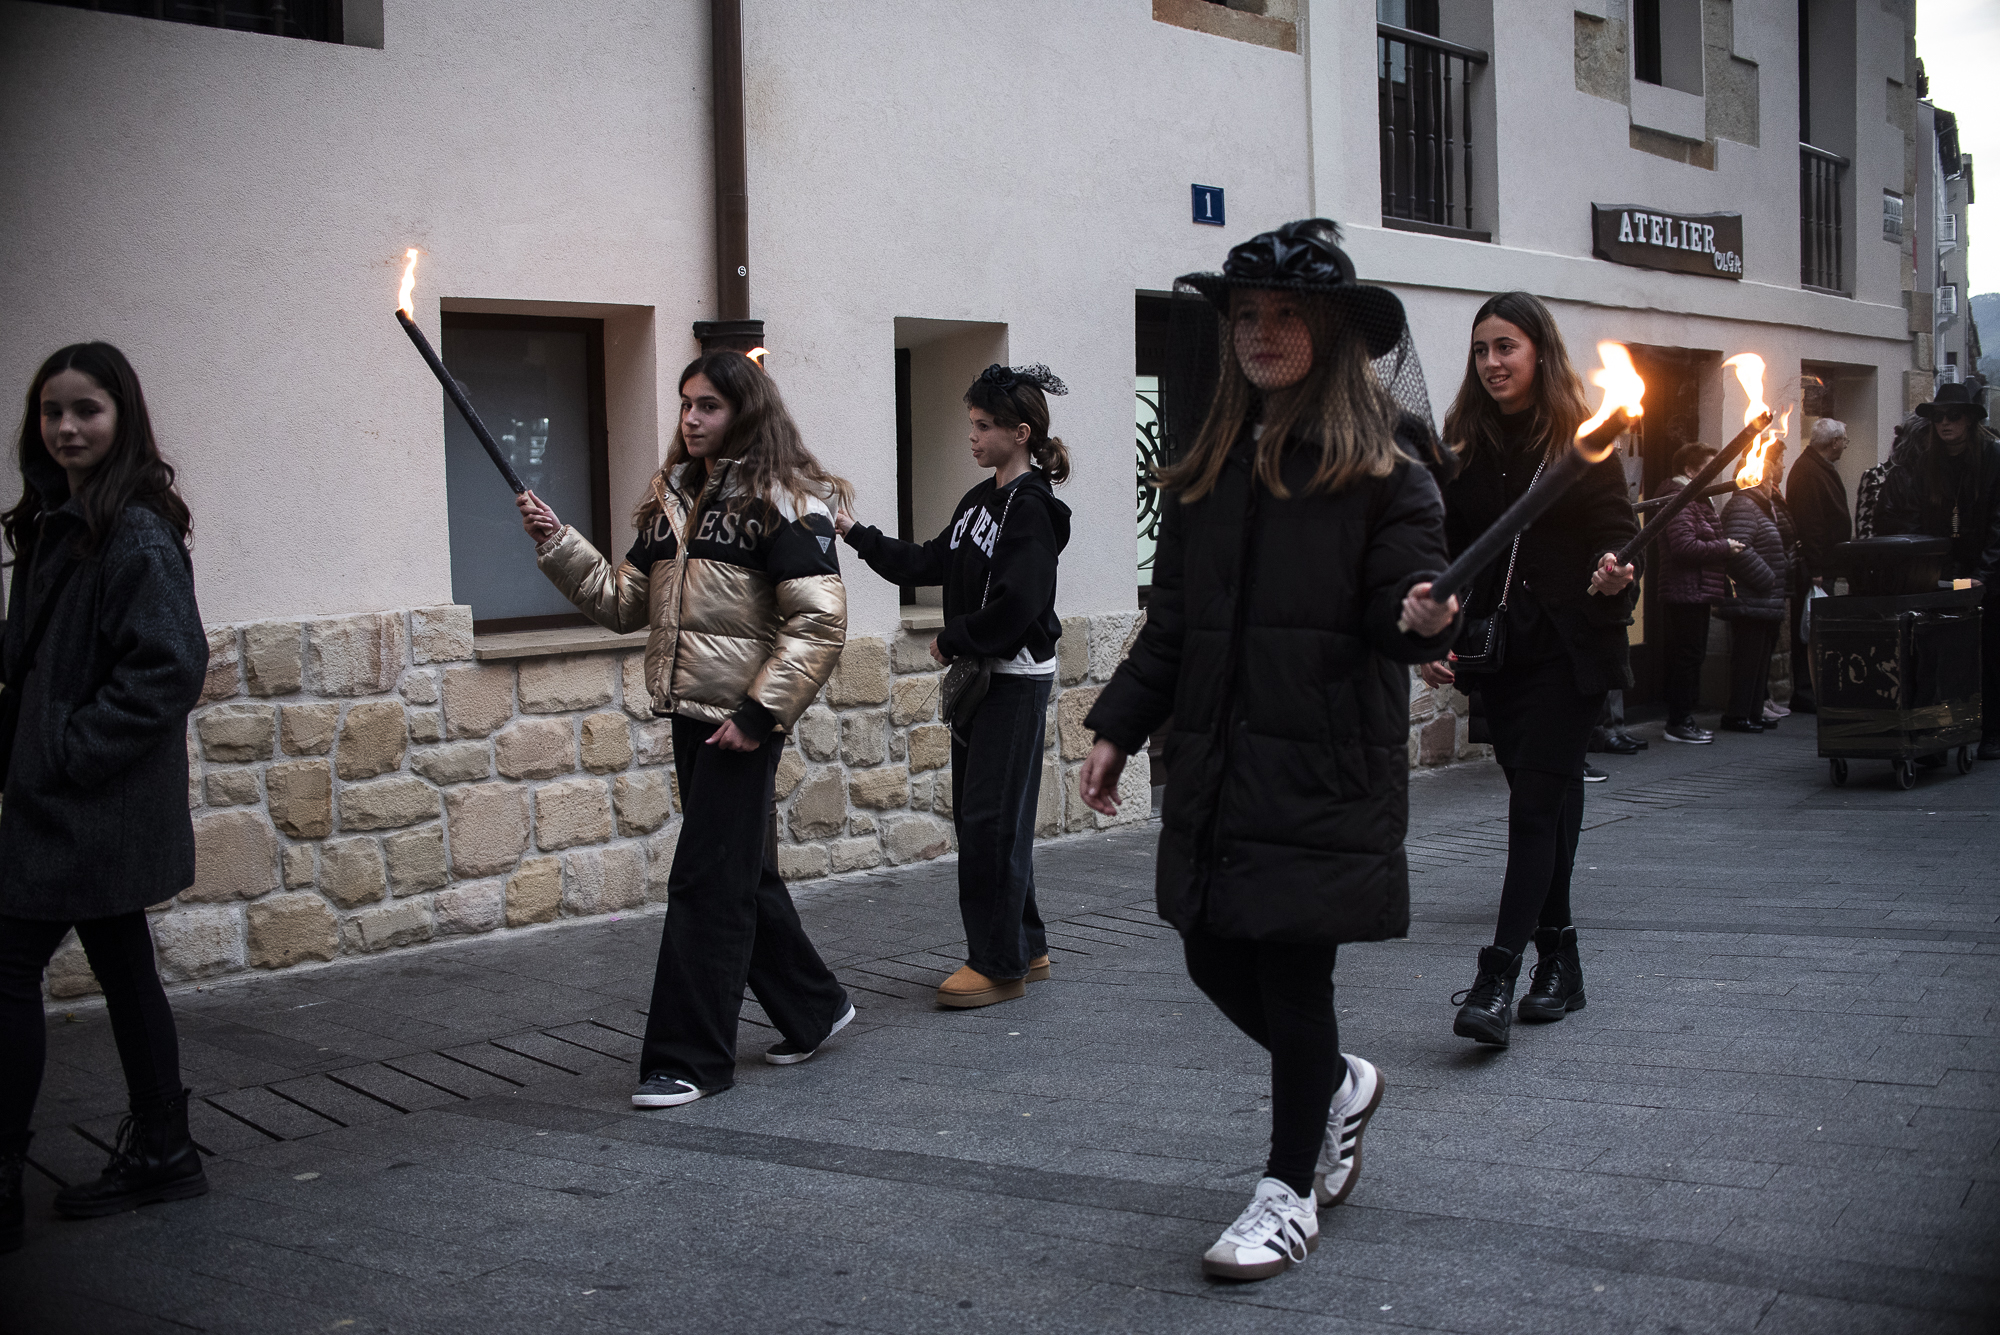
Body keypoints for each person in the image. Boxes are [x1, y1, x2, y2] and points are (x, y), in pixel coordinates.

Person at [1075, 220, 1459, 1281]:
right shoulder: (1211, 468)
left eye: (1287, 314)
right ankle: (1335, 1083)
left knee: (1292, 975)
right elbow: (1173, 624)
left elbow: (1401, 606)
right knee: (1207, 947)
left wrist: (1423, 617)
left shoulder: (1388, 472)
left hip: (1320, 764)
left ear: (1332, 335)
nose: (1261, 331)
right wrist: (1117, 725)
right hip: (1218, 763)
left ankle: (1287, 1192)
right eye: (1246, 314)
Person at [518, 350, 855, 1107]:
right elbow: (622, 604)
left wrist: (758, 716)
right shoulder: (672, 499)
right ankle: (815, 1005)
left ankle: (689, 1060)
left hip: (742, 721)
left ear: (745, 411)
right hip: (691, 715)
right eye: (685, 404)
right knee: (741, 875)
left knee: (705, 884)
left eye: (709, 405)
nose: (692, 419)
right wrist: (557, 542)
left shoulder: (785, 501)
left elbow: (819, 622)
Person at [1, 343, 210, 1253]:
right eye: (52, 411)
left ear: (122, 416)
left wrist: (65, 751)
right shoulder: (61, 519)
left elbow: (169, 666)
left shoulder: (132, 531)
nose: (66, 427)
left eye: (86, 409)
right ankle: (165, 1148)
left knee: (8, 966)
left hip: (87, 803)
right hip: (71, 796)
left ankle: (4, 1179)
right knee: (123, 965)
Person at [1419, 292, 1638, 1050]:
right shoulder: (1463, 444)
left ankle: (1497, 977)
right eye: (1481, 349)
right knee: (1549, 799)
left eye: (1505, 346)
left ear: (1539, 350)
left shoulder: (1584, 439)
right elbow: (1444, 548)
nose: (1492, 362)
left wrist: (1615, 570)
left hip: (1569, 651)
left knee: (1534, 807)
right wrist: (1433, 630)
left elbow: (1618, 534)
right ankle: (1562, 960)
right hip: (1500, 654)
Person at [835, 365, 1072, 1009]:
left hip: (1014, 682)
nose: (972, 436)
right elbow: (927, 561)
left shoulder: (1032, 509)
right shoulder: (978, 502)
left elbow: (1021, 602)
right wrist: (857, 535)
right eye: (971, 424)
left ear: (1020, 433)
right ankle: (1027, 946)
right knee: (989, 819)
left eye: (984, 426)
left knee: (989, 822)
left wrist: (956, 637)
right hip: (986, 683)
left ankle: (998, 965)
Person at [1875, 382, 2000, 760]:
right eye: (1938, 417)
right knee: (1937, 651)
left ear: (1969, 420)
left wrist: (1984, 574)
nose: (1945, 423)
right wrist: (1930, 573)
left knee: (1990, 651)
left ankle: (1992, 731)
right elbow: (1917, 522)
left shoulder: (1993, 457)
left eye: (1953, 416)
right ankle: (1938, 735)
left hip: (1987, 571)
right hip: (1944, 572)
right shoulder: (1926, 462)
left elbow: (1998, 524)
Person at [1654, 442, 1744, 744]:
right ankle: (1678, 721)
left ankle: (1683, 719)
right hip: (1685, 590)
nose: (1715, 474)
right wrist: (1724, 547)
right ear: (1691, 470)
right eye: (1709, 466)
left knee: (1691, 656)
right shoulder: (1679, 498)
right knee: (1687, 656)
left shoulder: (1696, 498)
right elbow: (1683, 546)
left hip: (1696, 589)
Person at [1715, 450, 1791, 734]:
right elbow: (1738, 549)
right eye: (1769, 481)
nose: (1771, 486)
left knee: (1759, 660)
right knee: (1747, 660)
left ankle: (1753, 711)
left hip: (1763, 600)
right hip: (1751, 599)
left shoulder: (1758, 506)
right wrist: (1767, 579)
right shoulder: (1744, 506)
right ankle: (1738, 714)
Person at [1785, 417, 1852, 714]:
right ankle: (1806, 690)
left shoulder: (1817, 468)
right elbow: (1810, 523)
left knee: (1816, 629)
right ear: (1834, 442)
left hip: (1823, 565)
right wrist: (1816, 569)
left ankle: (1814, 688)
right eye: (1844, 440)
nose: (1846, 446)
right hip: (1816, 568)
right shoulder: (1809, 471)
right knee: (1810, 630)